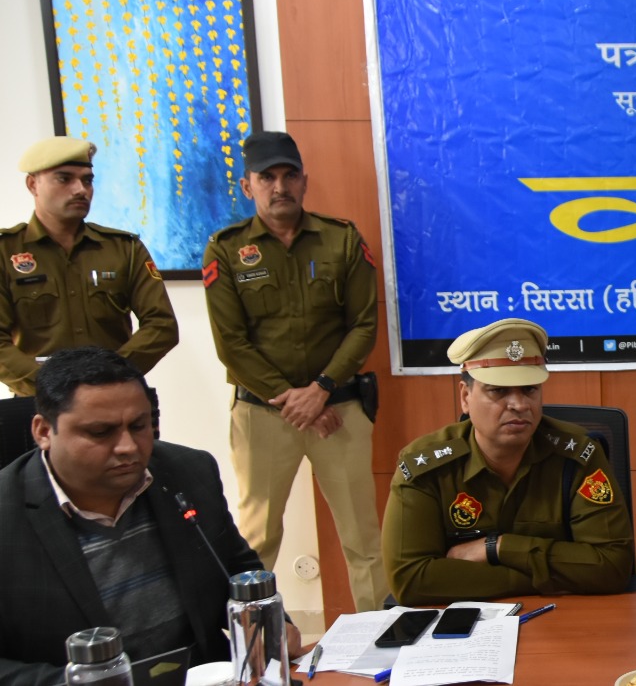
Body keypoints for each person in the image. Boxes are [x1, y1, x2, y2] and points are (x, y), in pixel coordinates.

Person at [0, 347, 303, 686]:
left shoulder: (188, 471)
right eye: (100, 432)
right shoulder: (7, 515)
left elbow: (234, 566)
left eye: (139, 426)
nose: (128, 446)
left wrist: (272, 626)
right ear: (43, 431)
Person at [202, 130, 386, 611]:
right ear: (248, 186)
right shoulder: (226, 250)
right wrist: (295, 400)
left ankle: (381, 637)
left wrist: (320, 390)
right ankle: (248, 638)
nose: (279, 187)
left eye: (289, 176)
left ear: (305, 181)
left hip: (339, 410)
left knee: (363, 537)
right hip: (263, 416)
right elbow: (231, 344)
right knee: (256, 538)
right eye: (267, 177)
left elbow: (364, 326)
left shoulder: (342, 240)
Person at [381, 318, 635, 604]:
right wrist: (537, 579)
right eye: (498, 391)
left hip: (561, 619)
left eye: (530, 389)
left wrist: (497, 547)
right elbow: (410, 578)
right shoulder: (426, 465)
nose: (520, 404)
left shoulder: (577, 454)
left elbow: (612, 565)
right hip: (464, 622)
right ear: (465, 397)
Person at [1, 136, 178, 397]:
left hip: (115, 397)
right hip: (38, 401)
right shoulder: (6, 251)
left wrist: (110, 375)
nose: (80, 190)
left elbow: (162, 326)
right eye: (64, 179)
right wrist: (50, 385)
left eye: (87, 180)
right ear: (32, 184)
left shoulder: (124, 248)